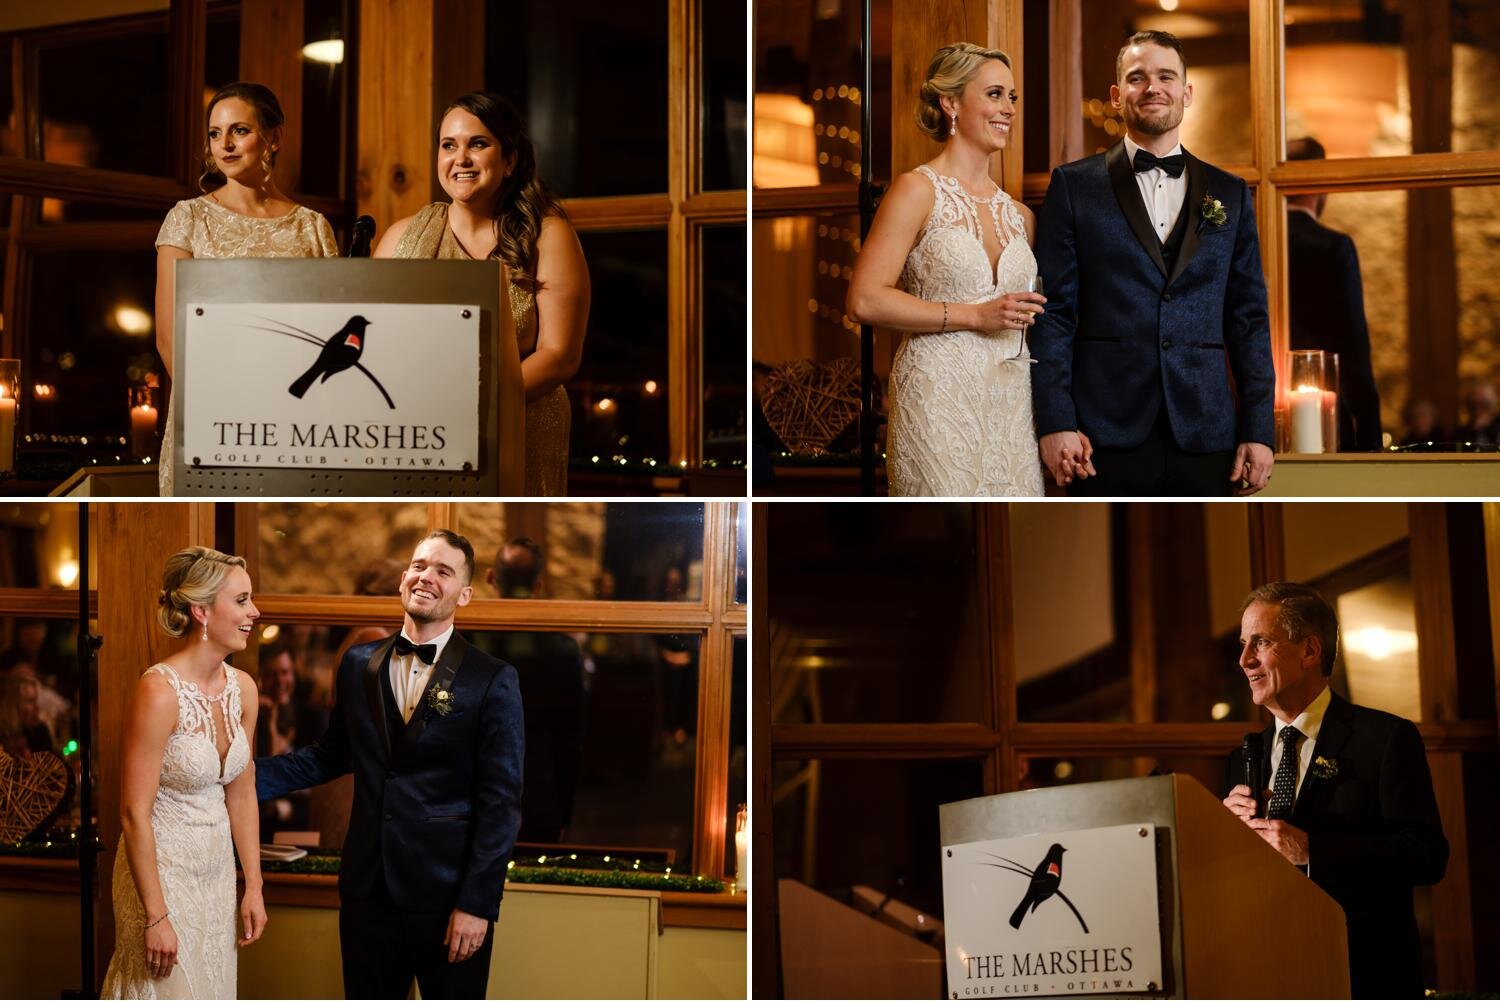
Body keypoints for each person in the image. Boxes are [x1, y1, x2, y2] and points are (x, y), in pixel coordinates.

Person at [255, 530, 523, 998]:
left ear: (465, 593)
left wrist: (477, 904)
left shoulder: (492, 679)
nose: (427, 577)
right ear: (403, 579)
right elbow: (330, 754)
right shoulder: (359, 664)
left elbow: (501, 803)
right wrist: (242, 778)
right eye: (420, 565)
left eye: (444, 570)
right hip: (367, 895)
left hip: (448, 900)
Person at [1031, 30, 1275, 496]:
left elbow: (1248, 319)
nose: (1152, 87)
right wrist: (1055, 421)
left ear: (1187, 92)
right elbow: (1053, 314)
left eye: (1166, 76)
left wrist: (1258, 428)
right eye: (1137, 77)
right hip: (1101, 432)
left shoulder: (1230, 194)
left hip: (1208, 432)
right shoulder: (1073, 187)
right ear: (1116, 94)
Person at [847, 42, 1087, 496]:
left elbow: (1045, 328)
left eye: (1012, 97)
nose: (1008, 109)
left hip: (1014, 407)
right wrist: (974, 315)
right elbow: (864, 299)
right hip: (937, 398)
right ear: (951, 102)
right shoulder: (917, 191)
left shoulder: (1022, 217)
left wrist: (1064, 423)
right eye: (995, 94)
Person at [1221, 582, 1447, 998]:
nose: (1244, 659)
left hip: (1364, 975)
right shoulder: (1244, 758)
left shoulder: (1383, 738)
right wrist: (1221, 831)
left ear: (1310, 651)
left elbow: (1426, 856)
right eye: (1242, 644)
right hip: (1269, 972)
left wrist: (1312, 851)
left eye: (1261, 642)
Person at [374, 92, 590, 496]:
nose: (461, 159)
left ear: (509, 160)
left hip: (520, 424)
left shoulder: (547, 234)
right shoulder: (400, 238)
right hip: (420, 431)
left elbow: (560, 356)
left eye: (477, 144)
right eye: (448, 145)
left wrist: (472, 409)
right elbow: (377, 347)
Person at [154, 82, 340, 496]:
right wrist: (225, 416)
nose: (225, 145)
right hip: (213, 416)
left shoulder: (312, 227)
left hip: (296, 419)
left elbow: (326, 330)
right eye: (215, 133)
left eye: (239, 130)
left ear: (273, 138)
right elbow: (170, 338)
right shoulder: (188, 219)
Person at [101, 548, 267, 998]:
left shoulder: (244, 690)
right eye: (242, 600)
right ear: (201, 611)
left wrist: (252, 883)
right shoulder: (158, 691)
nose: (254, 612)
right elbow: (133, 812)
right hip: (161, 874)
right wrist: (156, 915)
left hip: (215, 875)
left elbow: (242, 791)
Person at [475, 537, 585, 843]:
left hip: (471, 792)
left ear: (490, 577)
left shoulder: (465, 641)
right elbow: (570, 739)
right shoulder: (562, 649)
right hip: (538, 793)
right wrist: (564, 810)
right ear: (539, 585)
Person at [1285, 137, 1382, 451]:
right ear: (1320, 184)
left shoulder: (1248, 242)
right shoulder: (1332, 247)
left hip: (1254, 413)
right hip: (1321, 419)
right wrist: (1370, 435)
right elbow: (1354, 345)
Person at [1457, 381, 1498, 446]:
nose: (1478, 408)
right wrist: (1475, 430)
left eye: (1483, 403)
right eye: (1474, 403)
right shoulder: (1461, 432)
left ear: (1493, 402)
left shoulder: (1497, 427)